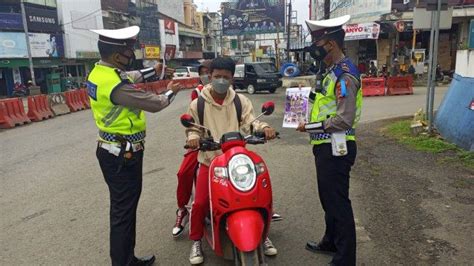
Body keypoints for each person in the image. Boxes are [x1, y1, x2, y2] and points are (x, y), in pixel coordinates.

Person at [87, 26, 181, 266]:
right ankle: (123, 263)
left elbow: (131, 76)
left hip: (112, 150)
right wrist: (172, 92)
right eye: (129, 49)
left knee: (123, 211)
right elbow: (155, 103)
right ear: (118, 55)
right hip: (122, 155)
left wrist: (154, 70)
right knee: (123, 214)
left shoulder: (100, 72)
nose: (132, 53)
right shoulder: (116, 86)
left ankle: (127, 259)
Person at [185, 57, 278, 264]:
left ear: (232, 78)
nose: (221, 80)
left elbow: (250, 122)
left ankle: (262, 236)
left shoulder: (240, 101)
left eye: (225, 77)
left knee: (260, 196)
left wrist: (264, 129)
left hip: (237, 161)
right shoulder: (198, 103)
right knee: (200, 203)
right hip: (210, 162)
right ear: (210, 76)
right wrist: (193, 139)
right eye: (217, 76)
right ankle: (196, 240)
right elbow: (192, 128)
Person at [300, 15, 362, 266]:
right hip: (324, 145)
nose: (315, 48)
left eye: (318, 43)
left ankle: (345, 258)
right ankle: (331, 240)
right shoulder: (329, 72)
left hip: (337, 146)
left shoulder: (345, 75)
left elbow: (343, 119)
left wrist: (310, 126)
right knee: (328, 198)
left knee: (338, 202)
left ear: (331, 44)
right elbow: (320, 105)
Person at [172, 59, 212, 238]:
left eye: (209, 72)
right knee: (184, 173)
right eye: (203, 72)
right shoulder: (197, 94)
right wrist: (195, 138)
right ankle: (182, 210)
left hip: (225, 142)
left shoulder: (233, 95)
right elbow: (193, 122)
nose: (207, 76)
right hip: (202, 143)